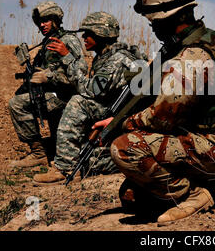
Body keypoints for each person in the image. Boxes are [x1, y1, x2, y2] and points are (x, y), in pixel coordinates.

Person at [97, 0, 215, 224]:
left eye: (155, 22)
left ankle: (196, 194)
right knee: (132, 196)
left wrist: (119, 125)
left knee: (124, 148)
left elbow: (160, 118)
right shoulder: (211, 39)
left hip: (207, 147)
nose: (153, 29)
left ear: (175, 17)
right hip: (206, 140)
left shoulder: (190, 57)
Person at [32, 11, 147, 185]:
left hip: (124, 117)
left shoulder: (116, 60)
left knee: (79, 102)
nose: (84, 37)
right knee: (89, 160)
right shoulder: (108, 56)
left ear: (101, 35)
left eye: (89, 34)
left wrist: (68, 58)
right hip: (120, 115)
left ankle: (65, 169)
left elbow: (89, 91)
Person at [8, 1, 87, 169]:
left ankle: (39, 154)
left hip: (66, 96)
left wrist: (48, 77)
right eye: (39, 22)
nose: (42, 25)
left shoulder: (68, 40)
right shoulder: (47, 43)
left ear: (55, 19)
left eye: (46, 20)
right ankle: (50, 150)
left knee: (17, 105)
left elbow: (80, 72)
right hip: (52, 93)